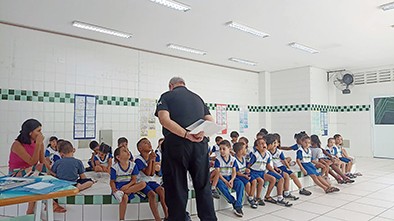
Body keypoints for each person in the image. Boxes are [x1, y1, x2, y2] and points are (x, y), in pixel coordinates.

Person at [155, 77, 217, 221]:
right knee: (203, 185)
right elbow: (210, 121)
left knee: (177, 186)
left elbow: (164, 119)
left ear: (171, 86)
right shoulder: (198, 98)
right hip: (200, 146)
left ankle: (178, 218)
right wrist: (201, 133)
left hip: (177, 146)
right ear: (184, 85)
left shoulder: (167, 96)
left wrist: (185, 134)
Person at [8, 119, 66, 214]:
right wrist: (38, 144)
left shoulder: (38, 143)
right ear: (30, 132)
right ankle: (49, 204)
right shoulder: (17, 145)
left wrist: (53, 173)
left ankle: (33, 210)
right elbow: (32, 162)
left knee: (43, 173)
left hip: (31, 172)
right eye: (38, 131)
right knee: (38, 171)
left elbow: (42, 161)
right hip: (15, 174)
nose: (41, 134)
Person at [135, 138, 168, 221]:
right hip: (142, 182)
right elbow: (147, 173)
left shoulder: (151, 157)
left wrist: (152, 160)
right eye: (145, 143)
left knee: (161, 190)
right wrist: (151, 160)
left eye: (149, 142)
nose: (149, 144)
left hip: (150, 181)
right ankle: (157, 218)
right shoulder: (138, 159)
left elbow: (152, 173)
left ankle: (167, 215)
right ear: (140, 148)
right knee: (152, 195)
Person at [110, 147, 146, 221]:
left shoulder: (133, 165)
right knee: (124, 198)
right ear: (118, 157)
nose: (128, 151)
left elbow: (134, 180)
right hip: (119, 186)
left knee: (143, 184)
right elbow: (112, 181)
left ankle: (122, 193)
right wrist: (114, 189)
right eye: (124, 151)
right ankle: (122, 219)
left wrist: (127, 186)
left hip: (129, 185)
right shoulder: (114, 167)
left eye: (127, 150)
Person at [214, 140, 245, 217]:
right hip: (222, 178)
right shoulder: (218, 159)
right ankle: (233, 202)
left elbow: (234, 172)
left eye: (224, 149)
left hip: (230, 177)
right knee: (219, 184)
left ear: (229, 149)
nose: (222, 151)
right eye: (220, 149)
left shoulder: (233, 159)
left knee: (240, 184)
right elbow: (218, 173)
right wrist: (225, 181)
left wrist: (231, 180)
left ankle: (238, 206)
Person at [233, 142, 258, 209]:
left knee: (254, 181)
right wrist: (244, 176)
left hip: (245, 174)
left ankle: (251, 196)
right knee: (248, 184)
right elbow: (237, 173)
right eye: (245, 149)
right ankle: (250, 199)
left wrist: (247, 170)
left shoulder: (244, 158)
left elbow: (246, 166)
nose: (246, 150)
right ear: (240, 151)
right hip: (239, 176)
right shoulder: (234, 160)